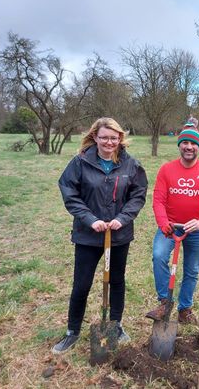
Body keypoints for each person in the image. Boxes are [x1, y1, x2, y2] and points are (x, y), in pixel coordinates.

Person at [52, 117, 148, 354]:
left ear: (120, 139)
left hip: (118, 235)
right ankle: (72, 332)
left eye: (114, 138)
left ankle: (115, 326)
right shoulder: (80, 162)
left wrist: (122, 219)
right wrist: (90, 219)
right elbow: (70, 193)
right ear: (95, 136)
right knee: (81, 285)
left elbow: (138, 195)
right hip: (88, 235)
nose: (109, 142)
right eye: (104, 137)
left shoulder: (130, 165)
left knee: (116, 281)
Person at [146, 120, 199, 324]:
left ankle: (185, 309)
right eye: (185, 143)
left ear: (198, 147)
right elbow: (158, 199)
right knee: (159, 255)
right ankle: (165, 302)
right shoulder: (166, 170)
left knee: (192, 269)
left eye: (193, 144)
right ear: (179, 145)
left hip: (196, 230)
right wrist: (164, 223)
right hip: (170, 226)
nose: (189, 147)